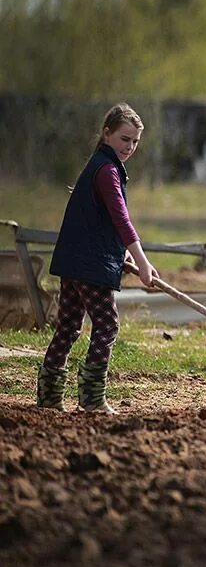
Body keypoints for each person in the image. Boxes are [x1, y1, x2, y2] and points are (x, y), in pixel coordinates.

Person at [37, 103, 158, 414]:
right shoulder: (106, 171)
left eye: (134, 141)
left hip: (75, 261)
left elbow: (99, 224)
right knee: (107, 325)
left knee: (68, 327)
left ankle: (49, 397)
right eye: (124, 139)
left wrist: (120, 259)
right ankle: (92, 398)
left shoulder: (102, 165)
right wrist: (143, 262)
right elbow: (121, 219)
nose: (129, 147)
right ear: (107, 134)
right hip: (88, 266)